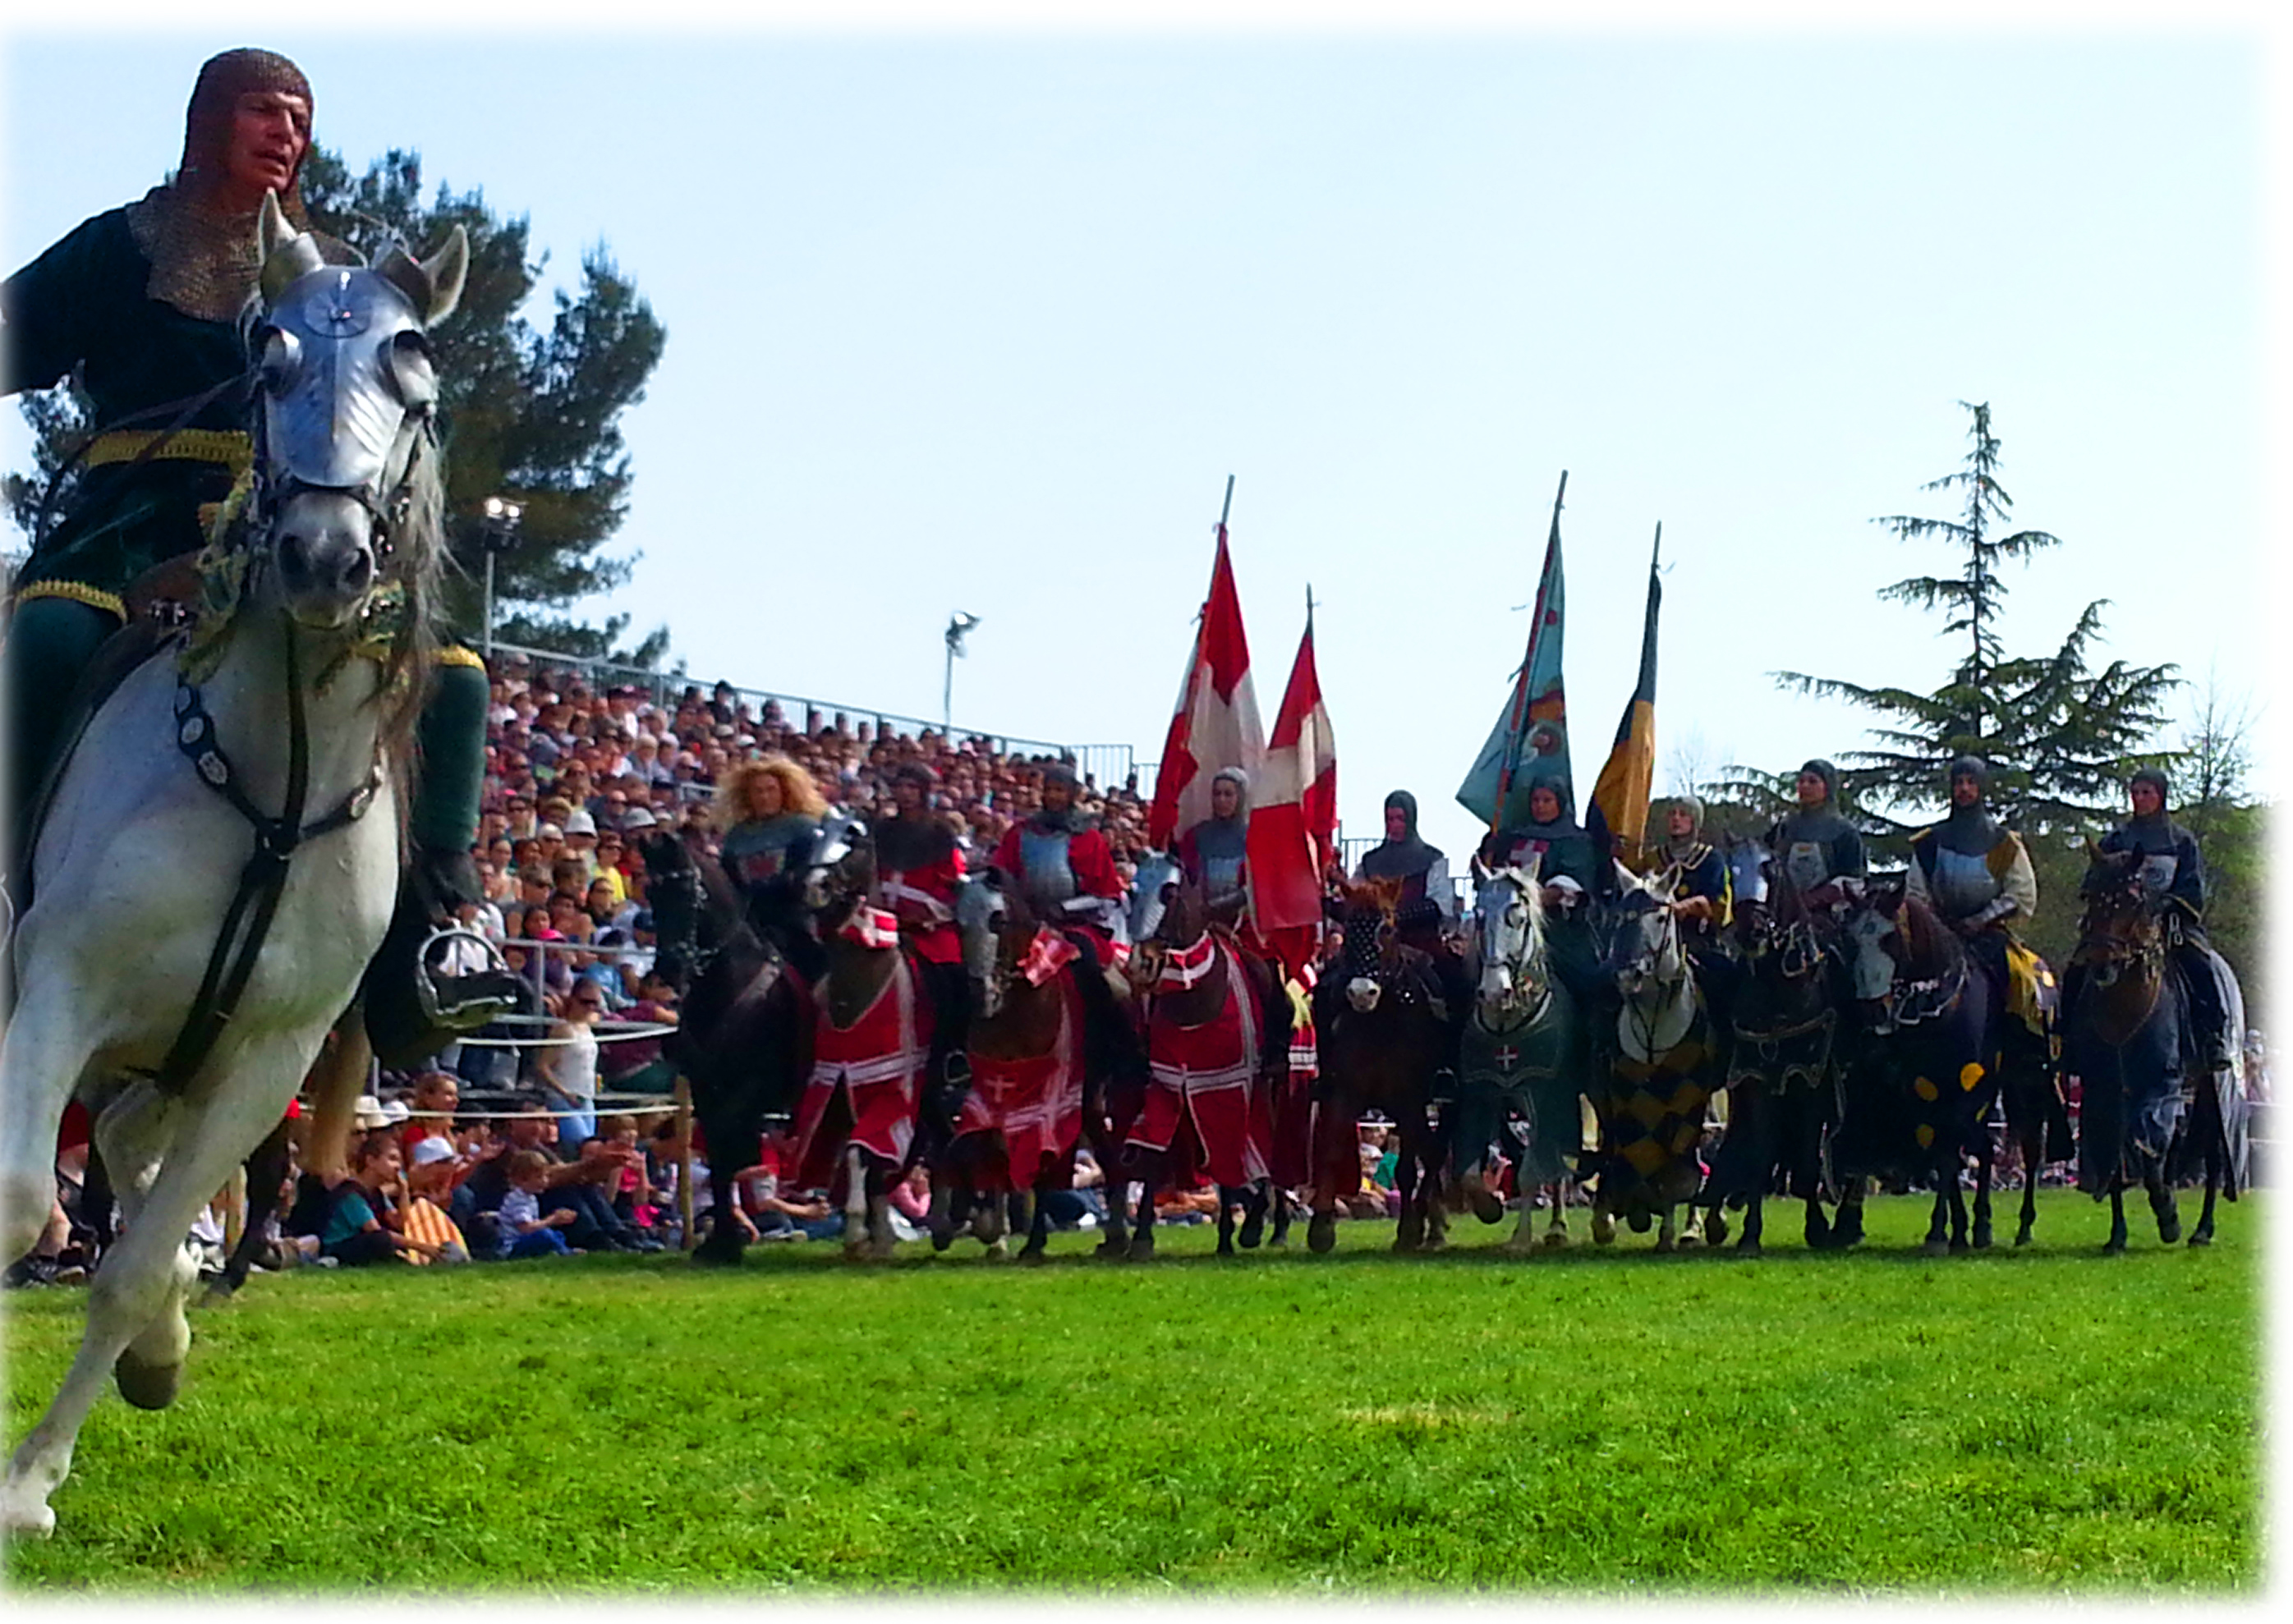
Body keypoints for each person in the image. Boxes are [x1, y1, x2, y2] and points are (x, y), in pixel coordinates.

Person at [0, 47, 516, 1058]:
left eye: (298, 117)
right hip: (132, 507)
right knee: (54, 631)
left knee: (454, 677)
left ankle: (437, 937)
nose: (285, 133)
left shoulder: (335, 285)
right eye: (262, 112)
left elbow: (395, 413)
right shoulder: (121, 247)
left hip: (292, 512)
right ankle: (11, 883)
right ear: (207, 121)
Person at [2095, 766, 2236, 1076]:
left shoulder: (2182, 841)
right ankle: (2067, 1036)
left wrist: (2166, 905)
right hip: (2120, 924)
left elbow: (2192, 888)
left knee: (2200, 964)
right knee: (2083, 965)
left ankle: (2213, 1036)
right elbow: (2096, 878)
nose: (2140, 798)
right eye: (2135, 792)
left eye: (2147, 792)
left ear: (2161, 796)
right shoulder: (2115, 839)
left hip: (2171, 923)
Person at [1905, 756, 2038, 1025]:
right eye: (1959, 783)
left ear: (1981, 788)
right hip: (1939, 933)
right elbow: (1915, 893)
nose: (1964, 789)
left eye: (1970, 783)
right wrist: (1936, 922)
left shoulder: (2004, 843)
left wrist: (1979, 921)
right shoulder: (1930, 842)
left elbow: (2021, 894)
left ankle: (2018, 1039)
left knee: (2020, 981)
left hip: (1989, 935)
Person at [990, 761, 1126, 963]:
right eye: (1049, 790)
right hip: (1025, 921)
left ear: (1072, 794)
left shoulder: (1089, 839)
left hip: (1074, 924)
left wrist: (1065, 909)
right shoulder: (1020, 832)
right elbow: (1002, 873)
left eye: (1060, 790)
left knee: (1088, 966)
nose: (1053, 796)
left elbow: (1107, 895)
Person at [711, 755, 826, 938]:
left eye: (771, 790)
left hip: (792, 914)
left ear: (784, 792)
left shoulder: (802, 827)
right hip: (748, 916)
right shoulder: (736, 836)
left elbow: (810, 871)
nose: (765, 797)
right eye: (758, 791)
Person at [1764, 758, 1866, 910]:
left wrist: (1821, 896)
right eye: (1801, 781)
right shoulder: (1785, 827)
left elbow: (1856, 880)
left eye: (1813, 781)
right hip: (1784, 910)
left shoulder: (1845, 831)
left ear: (1827, 787)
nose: (1805, 786)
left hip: (1832, 914)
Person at [1175, 766, 1252, 930]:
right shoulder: (1197, 835)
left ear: (1242, 797)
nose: (1221, 800)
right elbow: (1185, 875)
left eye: (1228, 794)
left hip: (1243, 923)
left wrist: (1217, 906)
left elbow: (1256, 887)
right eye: (1217, 794)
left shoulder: (1255, 837)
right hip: (1199, 921)